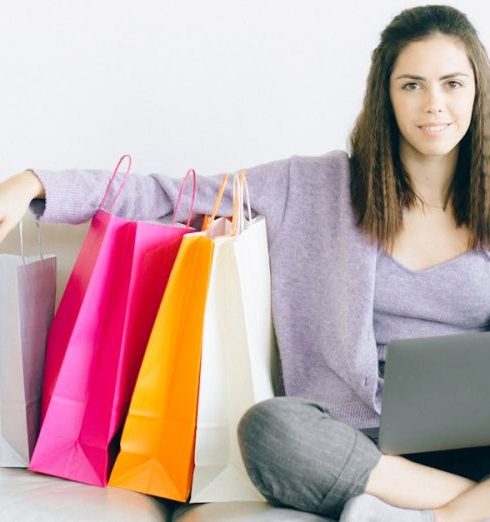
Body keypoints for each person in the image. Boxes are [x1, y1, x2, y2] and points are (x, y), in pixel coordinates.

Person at [1, 4, 490, 521]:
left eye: (452, 84)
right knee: (269, 429)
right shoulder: (312, 186)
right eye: (412, 84)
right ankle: (458, 507)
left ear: (476, 90)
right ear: (386, 96)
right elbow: (168, 195)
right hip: (349, 441)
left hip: (472, 427)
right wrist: (35, 182)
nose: (434, 104)